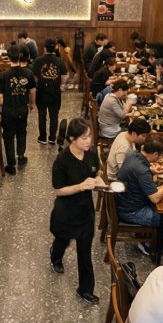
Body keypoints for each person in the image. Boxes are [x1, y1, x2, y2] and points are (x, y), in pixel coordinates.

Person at [49, 118, 100, 305]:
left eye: (90, 136)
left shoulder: (92, 153)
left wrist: (99, 182)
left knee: (85, 254)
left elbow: (97, 173)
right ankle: (56, 257)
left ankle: (85, 290)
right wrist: (80, 186)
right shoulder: (62, 161)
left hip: (86, 211)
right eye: (84, 138)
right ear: (72, 138)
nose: (89, 141)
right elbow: (58, 190)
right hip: (66, 213)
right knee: (62, 241)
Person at [115, 134, 163, 254]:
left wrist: (152, 171)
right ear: (155, 154)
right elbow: (155, 198)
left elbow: (138, 173)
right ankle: (150, 247)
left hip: (124, 200)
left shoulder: (133, 154)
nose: (161, 157)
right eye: (161, 155)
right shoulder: (142, 171)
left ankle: (153, 238)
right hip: (131, 211)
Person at [0, 44, 36, 175]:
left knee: (8, 136)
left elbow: (0, 99)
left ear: (8, 58)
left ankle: (11, 165)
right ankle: (21, 157)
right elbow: (32, 90)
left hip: (8, 110)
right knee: (21, 133)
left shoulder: (3, 75)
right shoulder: (28, 73)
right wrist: (32, 103)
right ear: (20, 56)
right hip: (22, 108)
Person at [32, 36, 68, 145]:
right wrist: (62, 86)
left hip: (42, 91)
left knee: (42, 115)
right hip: (55, 92)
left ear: (45, 48)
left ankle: (43, 137)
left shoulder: (38, 61)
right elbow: (64, 76)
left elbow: (35, 78)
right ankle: (52, 138)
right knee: (54, 115)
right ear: (55, 47)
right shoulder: (60, 61)